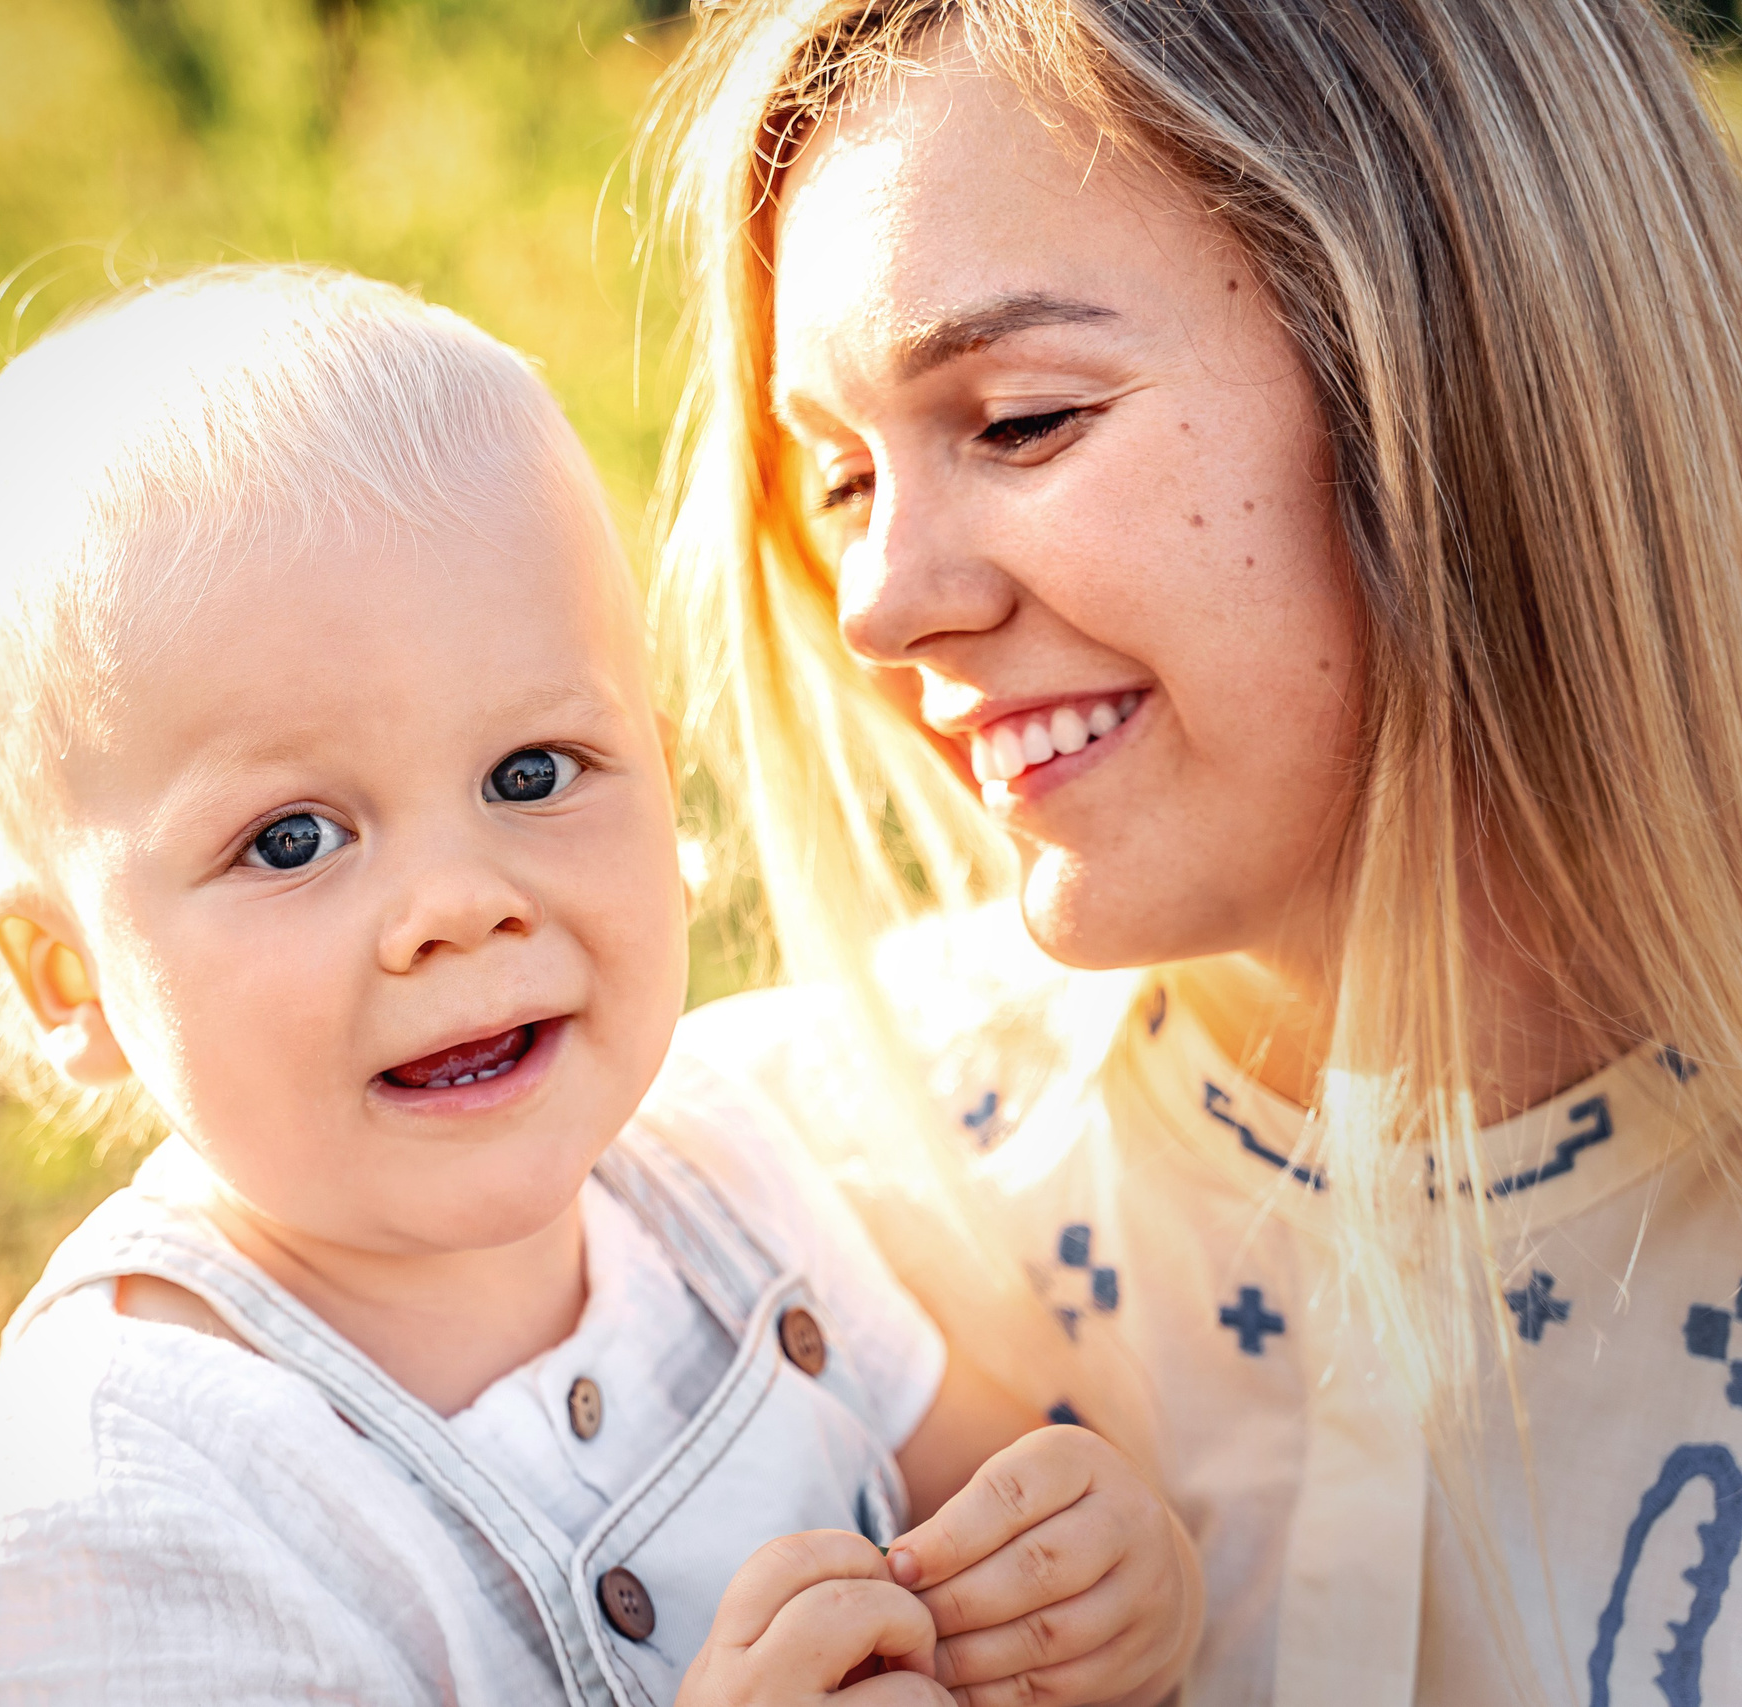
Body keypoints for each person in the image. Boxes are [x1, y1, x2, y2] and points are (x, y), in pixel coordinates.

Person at [0, 265, 1200, 1706]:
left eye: (531, 773)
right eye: (291, 840)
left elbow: (981, 1493)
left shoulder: (728, 1181)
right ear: (73, 979)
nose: (458, 904)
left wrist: (1094, 1594)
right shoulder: (85, 1545)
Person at [646, 0, 1742, 1703]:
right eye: (844, 479)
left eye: (1020, 420)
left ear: (1477, 370)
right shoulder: (742, 1210)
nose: (880, 605)